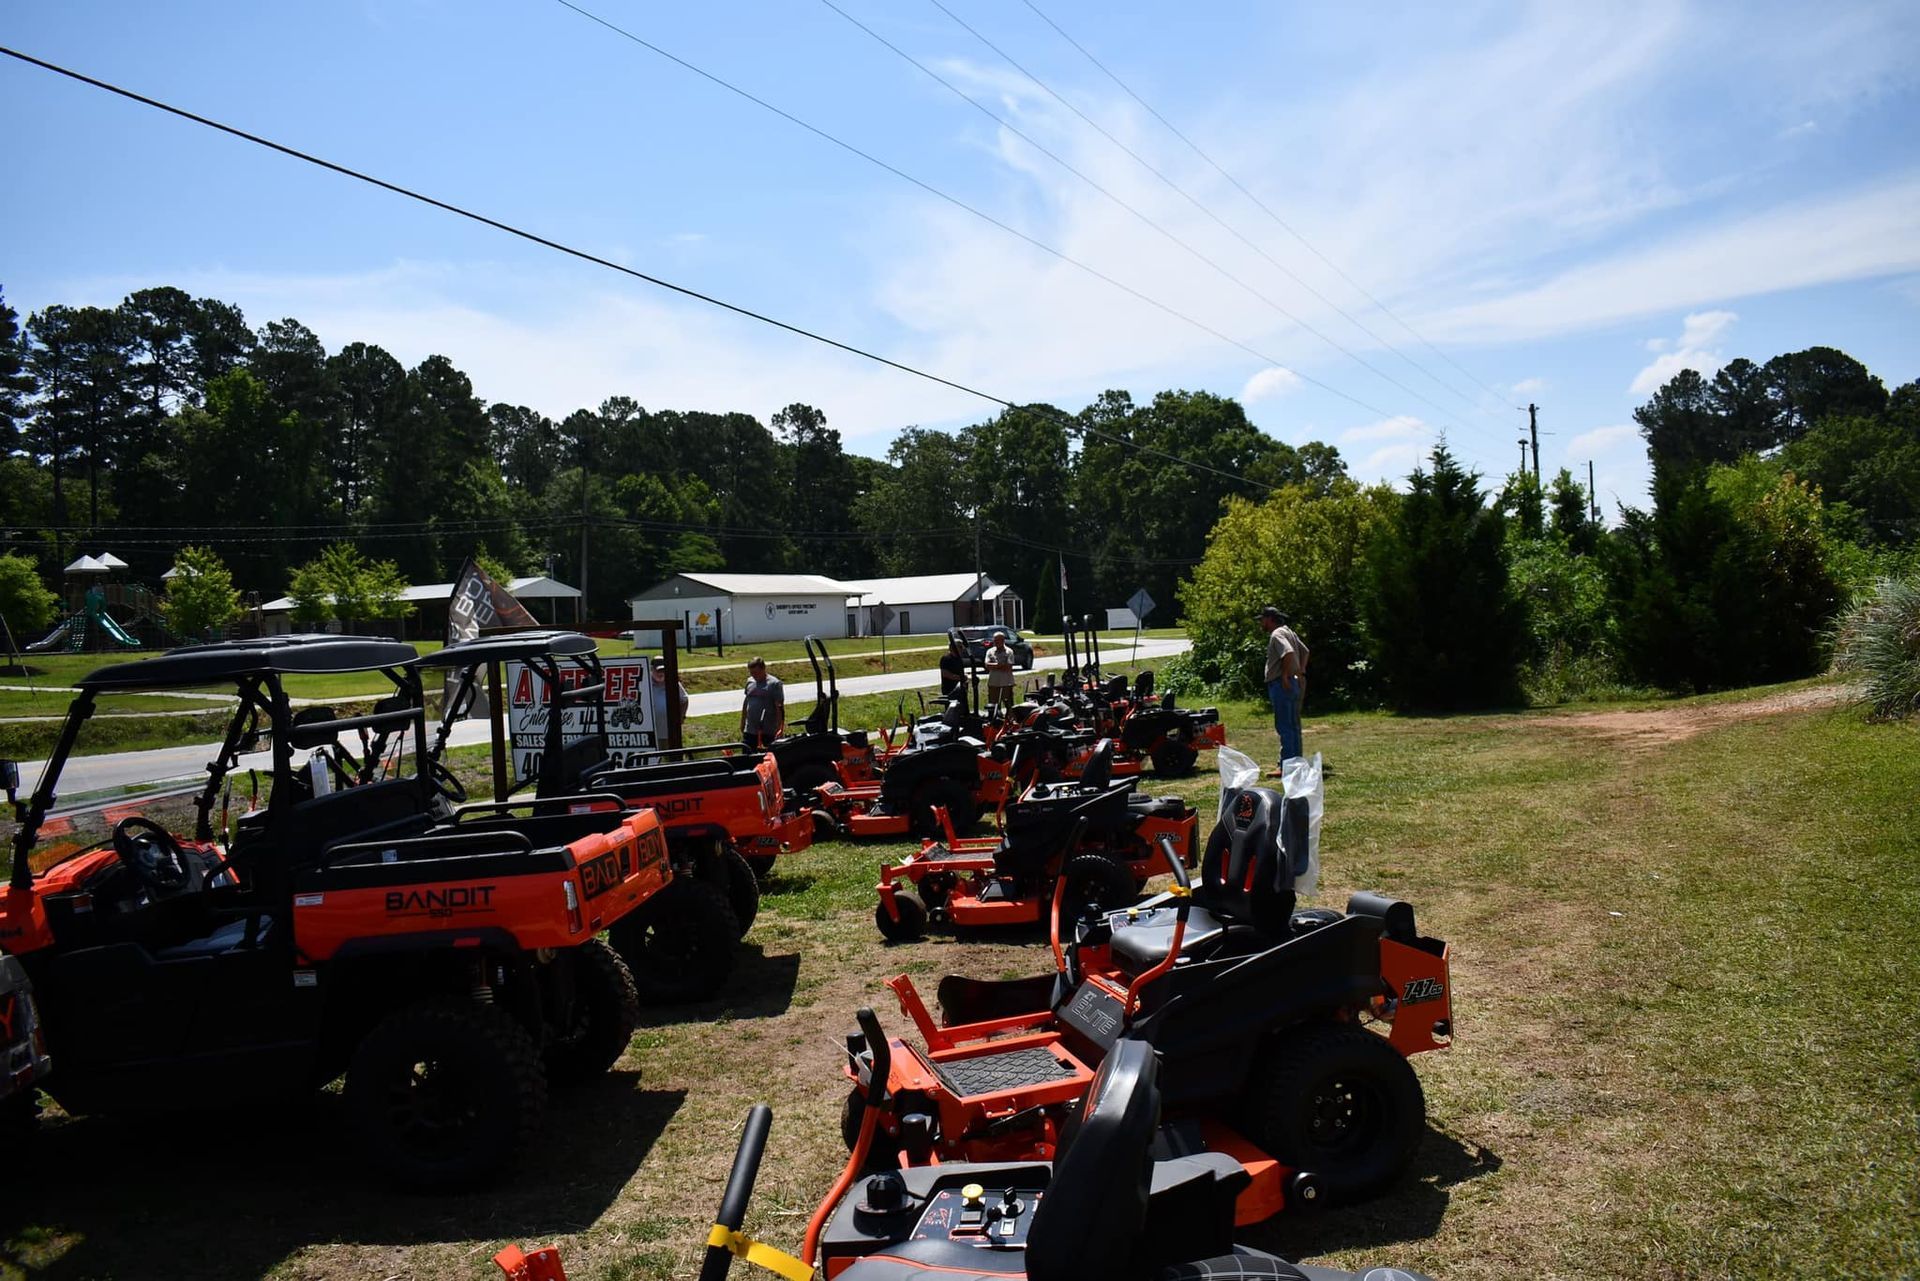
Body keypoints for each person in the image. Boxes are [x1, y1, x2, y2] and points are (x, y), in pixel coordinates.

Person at [1260, 606, 1309, 770]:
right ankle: (1296, 762)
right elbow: (1305, 652)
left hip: (1282, 685)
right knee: (1294, 725)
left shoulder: (1277, 634)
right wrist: (1300, 672)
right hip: (1294, 682)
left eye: (1263, 619)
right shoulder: (1289, 632)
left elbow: (1287, 653)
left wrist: (1284, 676)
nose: (1261, 622)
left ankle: (1286, 765)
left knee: (1284, 726)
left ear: (1270, 619)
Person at [740, 657, 785, 750]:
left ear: (763, 669)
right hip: (750, 730)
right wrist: (742, 721)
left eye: (756, 673)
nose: (754, 675)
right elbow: (746, 702)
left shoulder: (774, 684)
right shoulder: (750, 681)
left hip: (768, 731)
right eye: (751, 673)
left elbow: (779, 707)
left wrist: (780, 728)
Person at [650, 662, 689, 747]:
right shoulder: (646, 683)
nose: (661, 673)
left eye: (663, 671)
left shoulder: (672, 682)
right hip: (651, 732)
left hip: (669, 732)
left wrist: (682, 717)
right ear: (652, 670)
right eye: (658, 671)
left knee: (669, 755)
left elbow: (684, 700)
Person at [983, 630, 1017, 714]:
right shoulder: (990, 652)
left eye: (998, 640)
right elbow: (987, 665)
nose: (995, 642)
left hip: (1006, 683)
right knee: (993, 707)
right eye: (994, 640)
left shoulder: (1009, 652)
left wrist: (994, 666)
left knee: (1009, 706)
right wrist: (1000, 665)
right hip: (993, 683)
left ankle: (1010, 721)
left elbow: (1008, 667)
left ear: (1003, 640)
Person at [938, 635, 967, 700]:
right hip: (950, 689)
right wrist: (961, 678)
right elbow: (945, 674)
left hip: (960, 687)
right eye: (960, 647)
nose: (962, 649)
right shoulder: (946, 658)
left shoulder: (959, 659)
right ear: (953, 648)